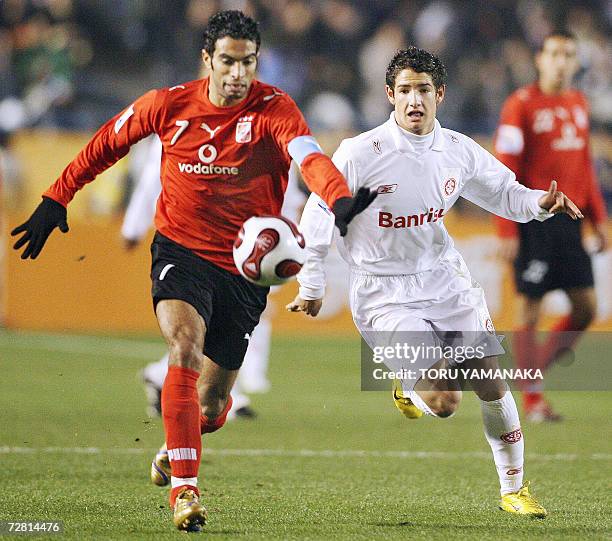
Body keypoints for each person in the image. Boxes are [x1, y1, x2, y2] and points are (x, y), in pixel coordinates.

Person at [11, 10, 375, 532]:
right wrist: (56, 197)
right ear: (207, 59)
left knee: (212, 406)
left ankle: (176, 447)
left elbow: (309, 156)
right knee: (182, 345)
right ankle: (186, 490)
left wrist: (337, 199)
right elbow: (105, 144)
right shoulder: (168, 104)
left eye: (248, 62)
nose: (238, 73)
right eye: (227, 61)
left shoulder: (275, 107)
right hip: (181, 254)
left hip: (246, 274)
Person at [288, 46, 583, 517]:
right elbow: (320, 208)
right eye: (404, 90)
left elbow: (503, 191)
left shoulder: (457, 150)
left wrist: (537, 204)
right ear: (389, 95)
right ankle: (408, 385)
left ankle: (514, 490)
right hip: (383, 292)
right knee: (445, 401)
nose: (413, 100)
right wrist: (313, 278)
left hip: (445, 280)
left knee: (491, 382)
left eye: (423, 89)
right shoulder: (361, 152)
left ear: (439, 94)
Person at [122, 135, 306, 418]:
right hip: (203, 243)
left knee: (233, 319)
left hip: (265, 244)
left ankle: (169, 375)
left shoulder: (271, 130)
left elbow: (290, 191)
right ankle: (230, 389)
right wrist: (133, 226)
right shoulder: (180, 126)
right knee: (214, 320)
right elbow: (151, 181)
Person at [494, 30, 608, 422]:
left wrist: (599, 218)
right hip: (533, 219)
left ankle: (531, 373)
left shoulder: (578, 103)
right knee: (529, 308)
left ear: (576, 63)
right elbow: (503, 170)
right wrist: (507, 229)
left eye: (569, 54)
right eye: (554, 53)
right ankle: (532, 400)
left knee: (586, 309)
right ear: (539, 59)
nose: (561, 61)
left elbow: (584, 167)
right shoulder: (520, 105)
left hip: (571, 222)